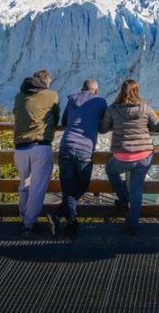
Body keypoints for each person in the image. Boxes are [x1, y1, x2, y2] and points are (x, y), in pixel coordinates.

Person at [100, 79, 159, 236]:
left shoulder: (112, 109)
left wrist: (115, 124)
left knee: (111, 170)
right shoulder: (145, 107)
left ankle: (123, 199)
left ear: (122, 91)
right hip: (144, 155)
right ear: (137, 91)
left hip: (122, 156)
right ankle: (133, 225)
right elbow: (158, 126)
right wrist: (146, 124)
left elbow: (103, 129)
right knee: (137, 189)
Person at [52, 79, 107, 240]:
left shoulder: (72, 100)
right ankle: (68, 221)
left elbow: (64, 122)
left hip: (66, 147)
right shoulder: (100, 102)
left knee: (68, 189)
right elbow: (104, 125)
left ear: (81, 89)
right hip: (84, 150)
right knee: (82, 186)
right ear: (96, 91)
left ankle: (61, 217)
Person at [12, 69, 60, 239]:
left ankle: (24, 217)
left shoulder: (19, 96)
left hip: (20, 148)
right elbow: (56, 117)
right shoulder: (52, 95)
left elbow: (16, 113)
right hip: (41, 147)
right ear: (46, 82)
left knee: (24, 184)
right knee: (37, 189)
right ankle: (29, 224)